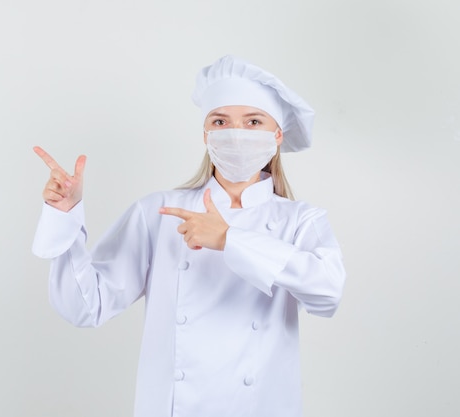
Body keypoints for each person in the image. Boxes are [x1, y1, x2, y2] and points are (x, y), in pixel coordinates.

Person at [32, 55, 346, 417]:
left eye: (253, 121)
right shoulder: (159, 212)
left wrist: (230, 239)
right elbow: (86, 307)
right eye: (221, 121)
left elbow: (328, 294)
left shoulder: (300, 220)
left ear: (277, 136)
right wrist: (65, 216)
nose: (236, 132)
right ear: (206, 134)